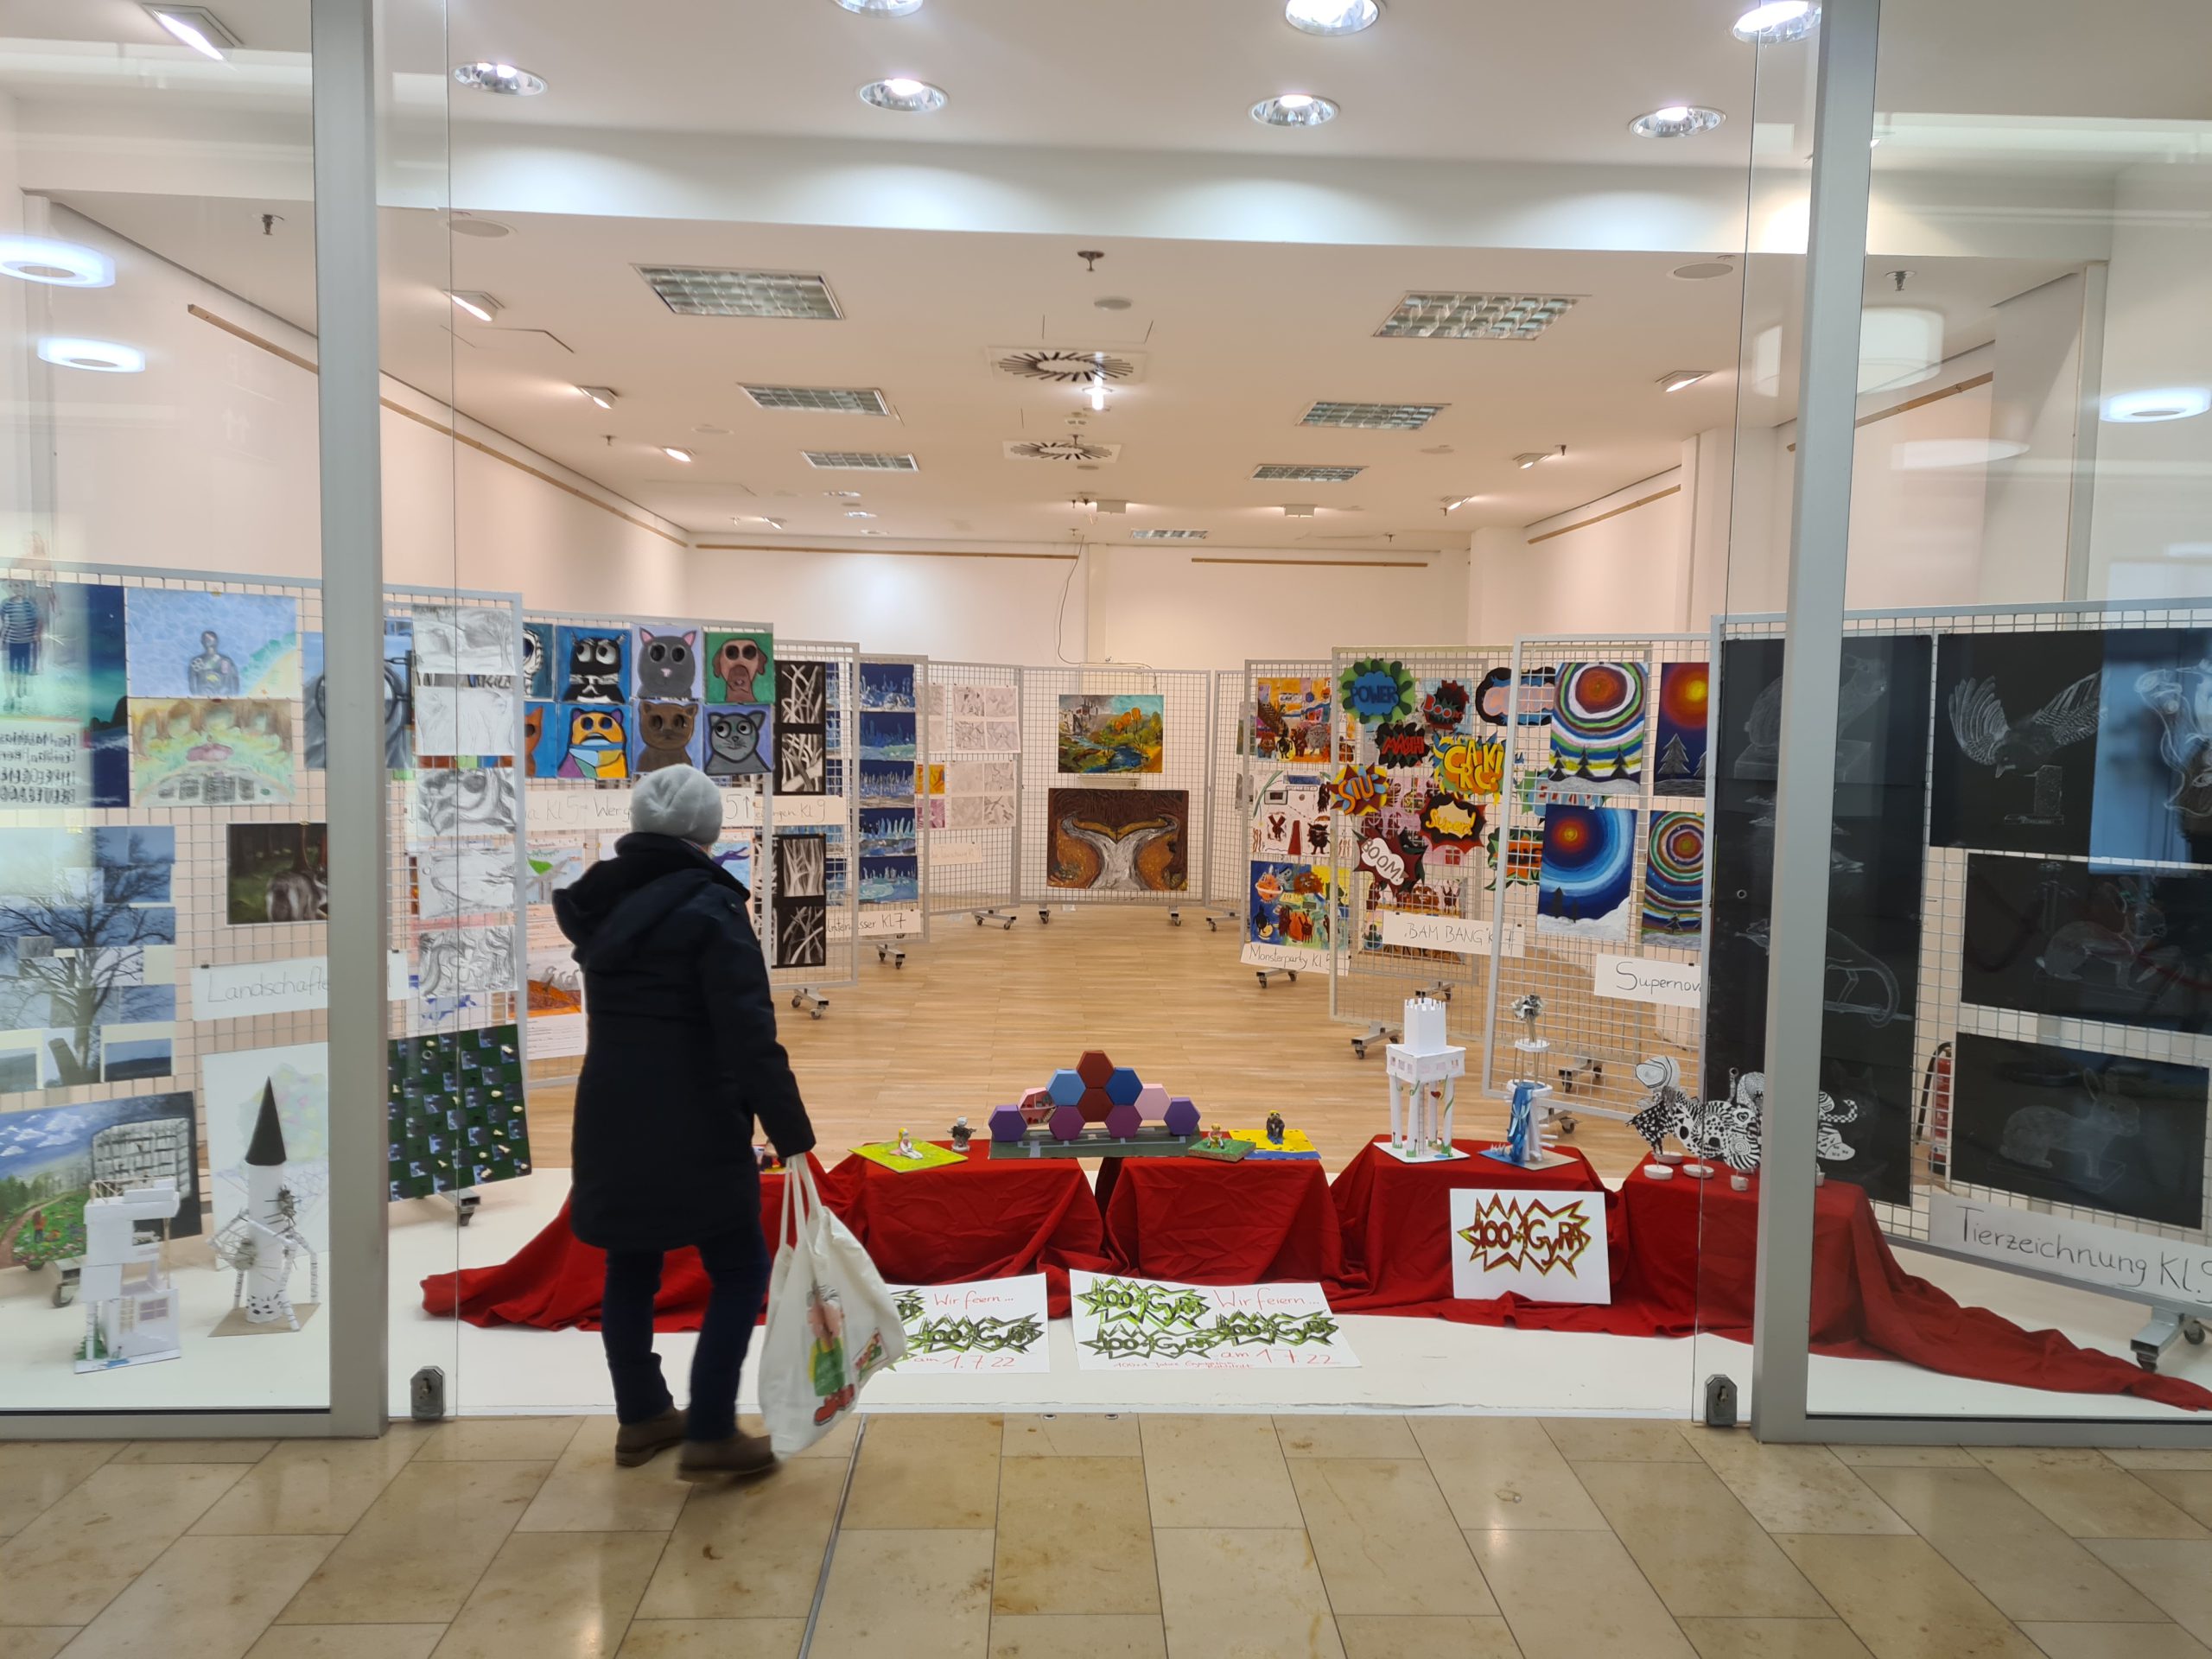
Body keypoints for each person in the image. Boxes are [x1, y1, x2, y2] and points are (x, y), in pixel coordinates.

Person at [555, 764, 815, 1478]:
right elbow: (748, 1034)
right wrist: (791, 1130)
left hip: (610, 1111)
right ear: (708, 830)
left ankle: (641, 1417)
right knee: (739, 1268)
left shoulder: (601, 901)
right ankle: (710, 1430)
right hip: (693, 1115)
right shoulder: (711, 907)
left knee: (630, 1264)